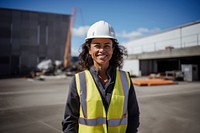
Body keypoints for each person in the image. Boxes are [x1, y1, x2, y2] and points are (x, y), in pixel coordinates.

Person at [62, 20, 140, 133]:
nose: (102, 50)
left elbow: (133, 116)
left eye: (107, 46)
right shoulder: (79, 80)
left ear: (113, 49)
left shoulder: (125, 79)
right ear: (89, 49)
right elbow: (70, 121)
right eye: (97, 45)